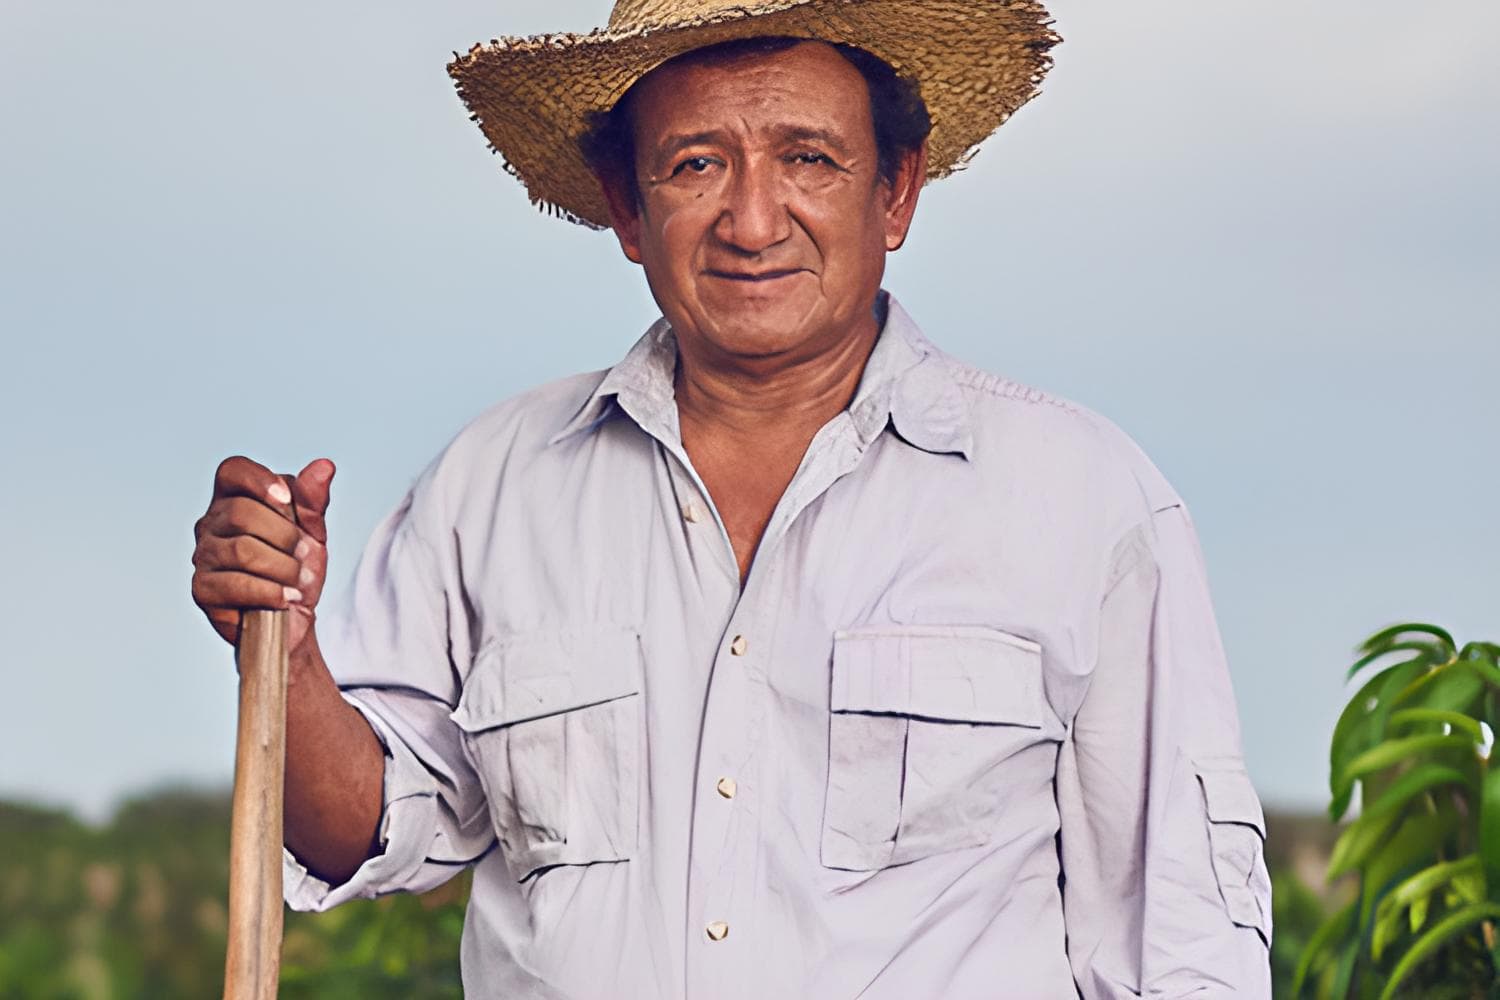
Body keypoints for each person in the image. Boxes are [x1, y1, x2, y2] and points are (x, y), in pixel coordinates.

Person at [190, 1, 1273, 996]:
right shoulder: (493, 486)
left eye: (809, 158)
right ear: (626, 205)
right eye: (696, 164)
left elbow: (1182, 941)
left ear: (896, 190)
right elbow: (367, 826)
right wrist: (284, 653)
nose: (753, 222)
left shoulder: (1082, 501)